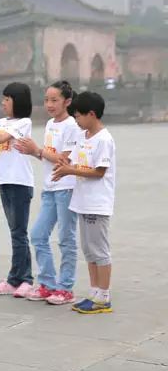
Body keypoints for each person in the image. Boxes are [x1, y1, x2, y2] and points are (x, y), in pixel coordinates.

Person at [16, 81, 81, 305]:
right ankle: (47, 284)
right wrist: (32, 152)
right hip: (49, 188)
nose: (49, 104)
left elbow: (65, 159)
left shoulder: (72, 125)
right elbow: (47, 156)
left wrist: (37, 150)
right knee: (38, 235)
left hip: (66, 188)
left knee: (66, 238)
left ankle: (65, 288)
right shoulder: (51, 124)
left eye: (54, 100)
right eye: (46, 100)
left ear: (68, 101)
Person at [52, 92, 116, 314]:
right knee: (89, 250)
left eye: (78, 116)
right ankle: (94, 292)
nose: (76, 120)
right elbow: (73, 159)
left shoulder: (104, 139)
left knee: (100, 250)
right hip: (83, 201)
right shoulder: (84, 136)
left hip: (97, 203)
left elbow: (99, 171)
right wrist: (63, 163)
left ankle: (104, 297)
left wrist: (69, 170)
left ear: (91, 114)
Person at [0, 85, 35, 297]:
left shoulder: (24, 123)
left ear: (17, 101)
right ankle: (19, 278)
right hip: (4, 181)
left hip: (20, 182)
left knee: (19, 232)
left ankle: (22, 278)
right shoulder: (1, 122)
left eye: (7, 99)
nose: (3, 103)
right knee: (16, 232)